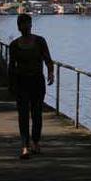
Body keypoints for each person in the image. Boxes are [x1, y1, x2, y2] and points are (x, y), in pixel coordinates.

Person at [8, 14, 54, 159]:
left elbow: (48, 59)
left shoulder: (40, 41)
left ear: (31, 25)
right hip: (21, 82)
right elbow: (11, 66)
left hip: (37, 82)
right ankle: (25, 146)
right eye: (22, 24)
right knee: (22, 115)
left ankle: (35, 142)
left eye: (28, 24)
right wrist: (11, 84)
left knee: (36, 113)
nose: (25, 27)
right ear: (18, 27)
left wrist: (51, 73)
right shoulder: (14, 45)